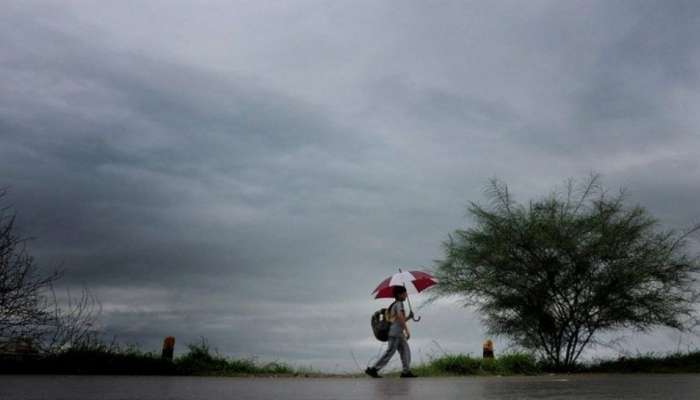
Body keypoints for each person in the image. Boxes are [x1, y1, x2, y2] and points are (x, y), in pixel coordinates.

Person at [365, 286, 417, 378]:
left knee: (405, 351)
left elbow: (398, 319)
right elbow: (400, 318)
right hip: (395, 333)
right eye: (405, 293)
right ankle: (373, 369)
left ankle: (406, 372)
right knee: (390, 352)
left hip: (398, 333)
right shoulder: (399, 304)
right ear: (399, 295)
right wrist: (407, 330)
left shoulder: (395, 305)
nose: (406, 295)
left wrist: (409, 317)